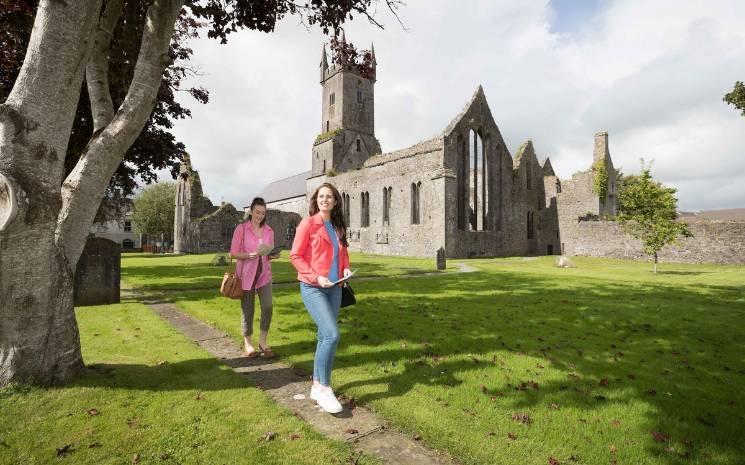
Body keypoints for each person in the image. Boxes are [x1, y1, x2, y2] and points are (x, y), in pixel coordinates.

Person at [290, 182, 352, 414]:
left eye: (329, 197)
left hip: (335, 288)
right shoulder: (307, 224)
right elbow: (295, 256)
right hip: (313, 287)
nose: (325, 200)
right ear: (316, 200)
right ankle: (325, 388)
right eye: (321, 196)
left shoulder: (337, 226)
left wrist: (346, 270)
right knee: (332, 335)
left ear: (335, 201)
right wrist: (316, 277)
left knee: (323, 336)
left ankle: (316, 384)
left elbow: (342, 253)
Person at [230, 197, 278, 358]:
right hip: (246, 275)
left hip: (264, 274)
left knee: (267, 307)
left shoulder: (269, 231)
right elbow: (233, 253)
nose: (260, 215)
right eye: (257, 212)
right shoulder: (241, 229)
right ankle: (248, 344)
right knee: (248, 310)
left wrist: (272, 255)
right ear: (251, 211)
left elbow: (268, 251)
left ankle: (263, 342)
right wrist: (248, 255)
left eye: (263, 213)